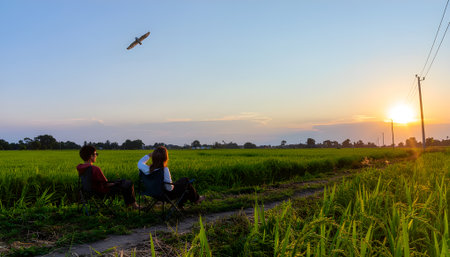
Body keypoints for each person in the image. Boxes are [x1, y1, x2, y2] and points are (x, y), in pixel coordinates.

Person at [137, 146, 205, 208]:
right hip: (165, 195)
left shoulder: (146, 169)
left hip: (151, 192)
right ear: (165, 158)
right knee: (186, 182)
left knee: (184, 182)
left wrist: (150, 154)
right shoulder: (164, 169)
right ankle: (196, 199)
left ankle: (186, 203)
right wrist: (174, 185)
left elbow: (140, 162)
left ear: (153, 157)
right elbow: (169, 188)